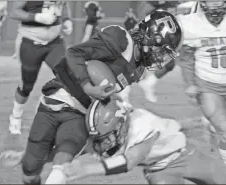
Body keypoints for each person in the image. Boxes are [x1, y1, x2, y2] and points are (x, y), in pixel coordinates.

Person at [19, 9, 183, 184]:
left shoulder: (139, 67)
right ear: (149, 36)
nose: (161, 58)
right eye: (161, 50)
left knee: (63, 161)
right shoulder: (121, 39)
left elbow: (112, 96)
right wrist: (87, 86)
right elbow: (74, 53)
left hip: (81, 114)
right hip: (57, 98)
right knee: (29, 168)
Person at [62, 99, 226, 184]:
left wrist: (87, 169)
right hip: (160, 170)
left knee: (225, 181)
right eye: (99, 139)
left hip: (188, 156)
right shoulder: (107, 131)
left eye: (106, 138)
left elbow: (131, 160)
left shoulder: (141, 126)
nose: (104, 144)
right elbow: (78, 148)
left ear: (122, 125)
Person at [177, 1, 226, 184]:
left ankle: (212, 125)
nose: (214, 4)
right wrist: (190, 83)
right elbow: (187, 59)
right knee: (225, 130)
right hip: (207, 85)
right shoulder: (189, 22)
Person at [8, 1, 73, 135]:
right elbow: (14, 12)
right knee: (26, 86)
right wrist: (37, 17)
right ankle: (16, 115)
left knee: (68, 76)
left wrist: (66, 19)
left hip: (55, 42)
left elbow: (64, 5)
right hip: (30, 42)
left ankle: (62, 117)